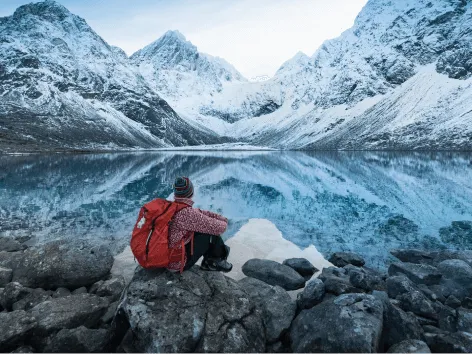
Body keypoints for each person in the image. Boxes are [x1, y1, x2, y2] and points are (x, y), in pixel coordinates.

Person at [167, 176, 232, 273]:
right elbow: (220, 228)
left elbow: (200, 212)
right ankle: (213, 262)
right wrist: (224, 221)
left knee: (201, 229)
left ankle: (213, 260)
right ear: (191, 192)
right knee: (209, 233)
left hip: (167, 255)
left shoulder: (173, 206)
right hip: (176, 264)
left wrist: (219, 217)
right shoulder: (186, 214)